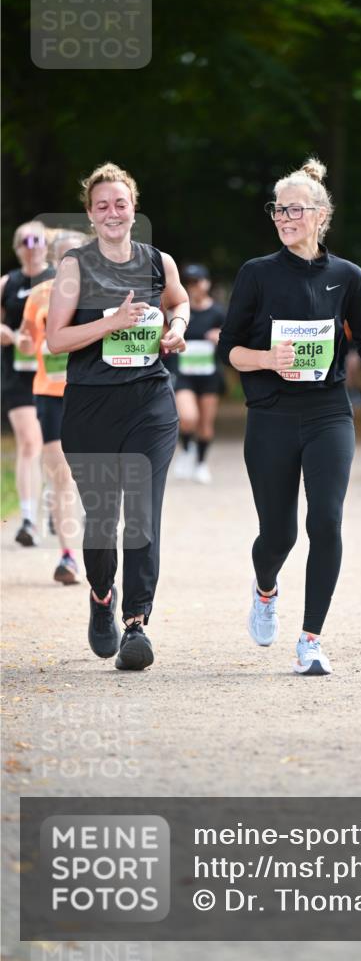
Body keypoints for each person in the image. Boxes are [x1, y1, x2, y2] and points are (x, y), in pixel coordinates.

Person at [218, 157, 361, 676]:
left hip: (327, 413)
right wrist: (267, 359)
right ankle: (265, 589)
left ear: (321, 215)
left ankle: (311, 639)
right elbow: (229, 349)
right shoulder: (257, 274)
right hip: (270, 414)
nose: (283, 217)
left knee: (326, 520)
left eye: (294, 209)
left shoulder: (347, 276)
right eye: (278, 209)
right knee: (279, 535)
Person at [47, 162, 189, 670]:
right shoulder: (74, 267)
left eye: (120, 203)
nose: (112, 212)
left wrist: (176, 326)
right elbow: (56, 340)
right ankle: (102, 594)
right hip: (91, 407)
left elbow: (180, 302)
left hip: (150, 403)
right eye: (102, 205)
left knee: (143, 514)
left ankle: (137, 625)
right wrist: (111, 321)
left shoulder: (157, 262)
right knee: (104, 522)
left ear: (133, 209)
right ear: (90, 214)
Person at [17, 229, 89, 584]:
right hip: (50, 393)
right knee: (61, 476)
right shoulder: (40, 296)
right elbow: (28, 345)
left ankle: (99, 547)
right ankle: (68, 556)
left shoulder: (103, 293)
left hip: (95, 393)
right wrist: (27, 342)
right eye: (66, 258)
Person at [1, 220, 55, 546]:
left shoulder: (61, 280)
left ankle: (53, 505)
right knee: (29, 442)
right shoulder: (9, 283)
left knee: (55, 450)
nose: (31, 245)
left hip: (54, 375)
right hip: (18, 376)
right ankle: (28, 519)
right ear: (17, 246)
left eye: (37, 239)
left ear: (46, 244)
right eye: (25, 240)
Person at [172, 263, 226, 484]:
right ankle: (187, 450)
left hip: (209, 374)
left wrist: (221, 336)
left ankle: (201, 464)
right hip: (184, 372)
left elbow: (233, 340)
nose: (193, 286)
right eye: (189, 282)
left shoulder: (218, 312)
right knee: (187, 417)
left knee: (205, 424)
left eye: (197, 281)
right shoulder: (181, 310)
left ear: (207, 283)